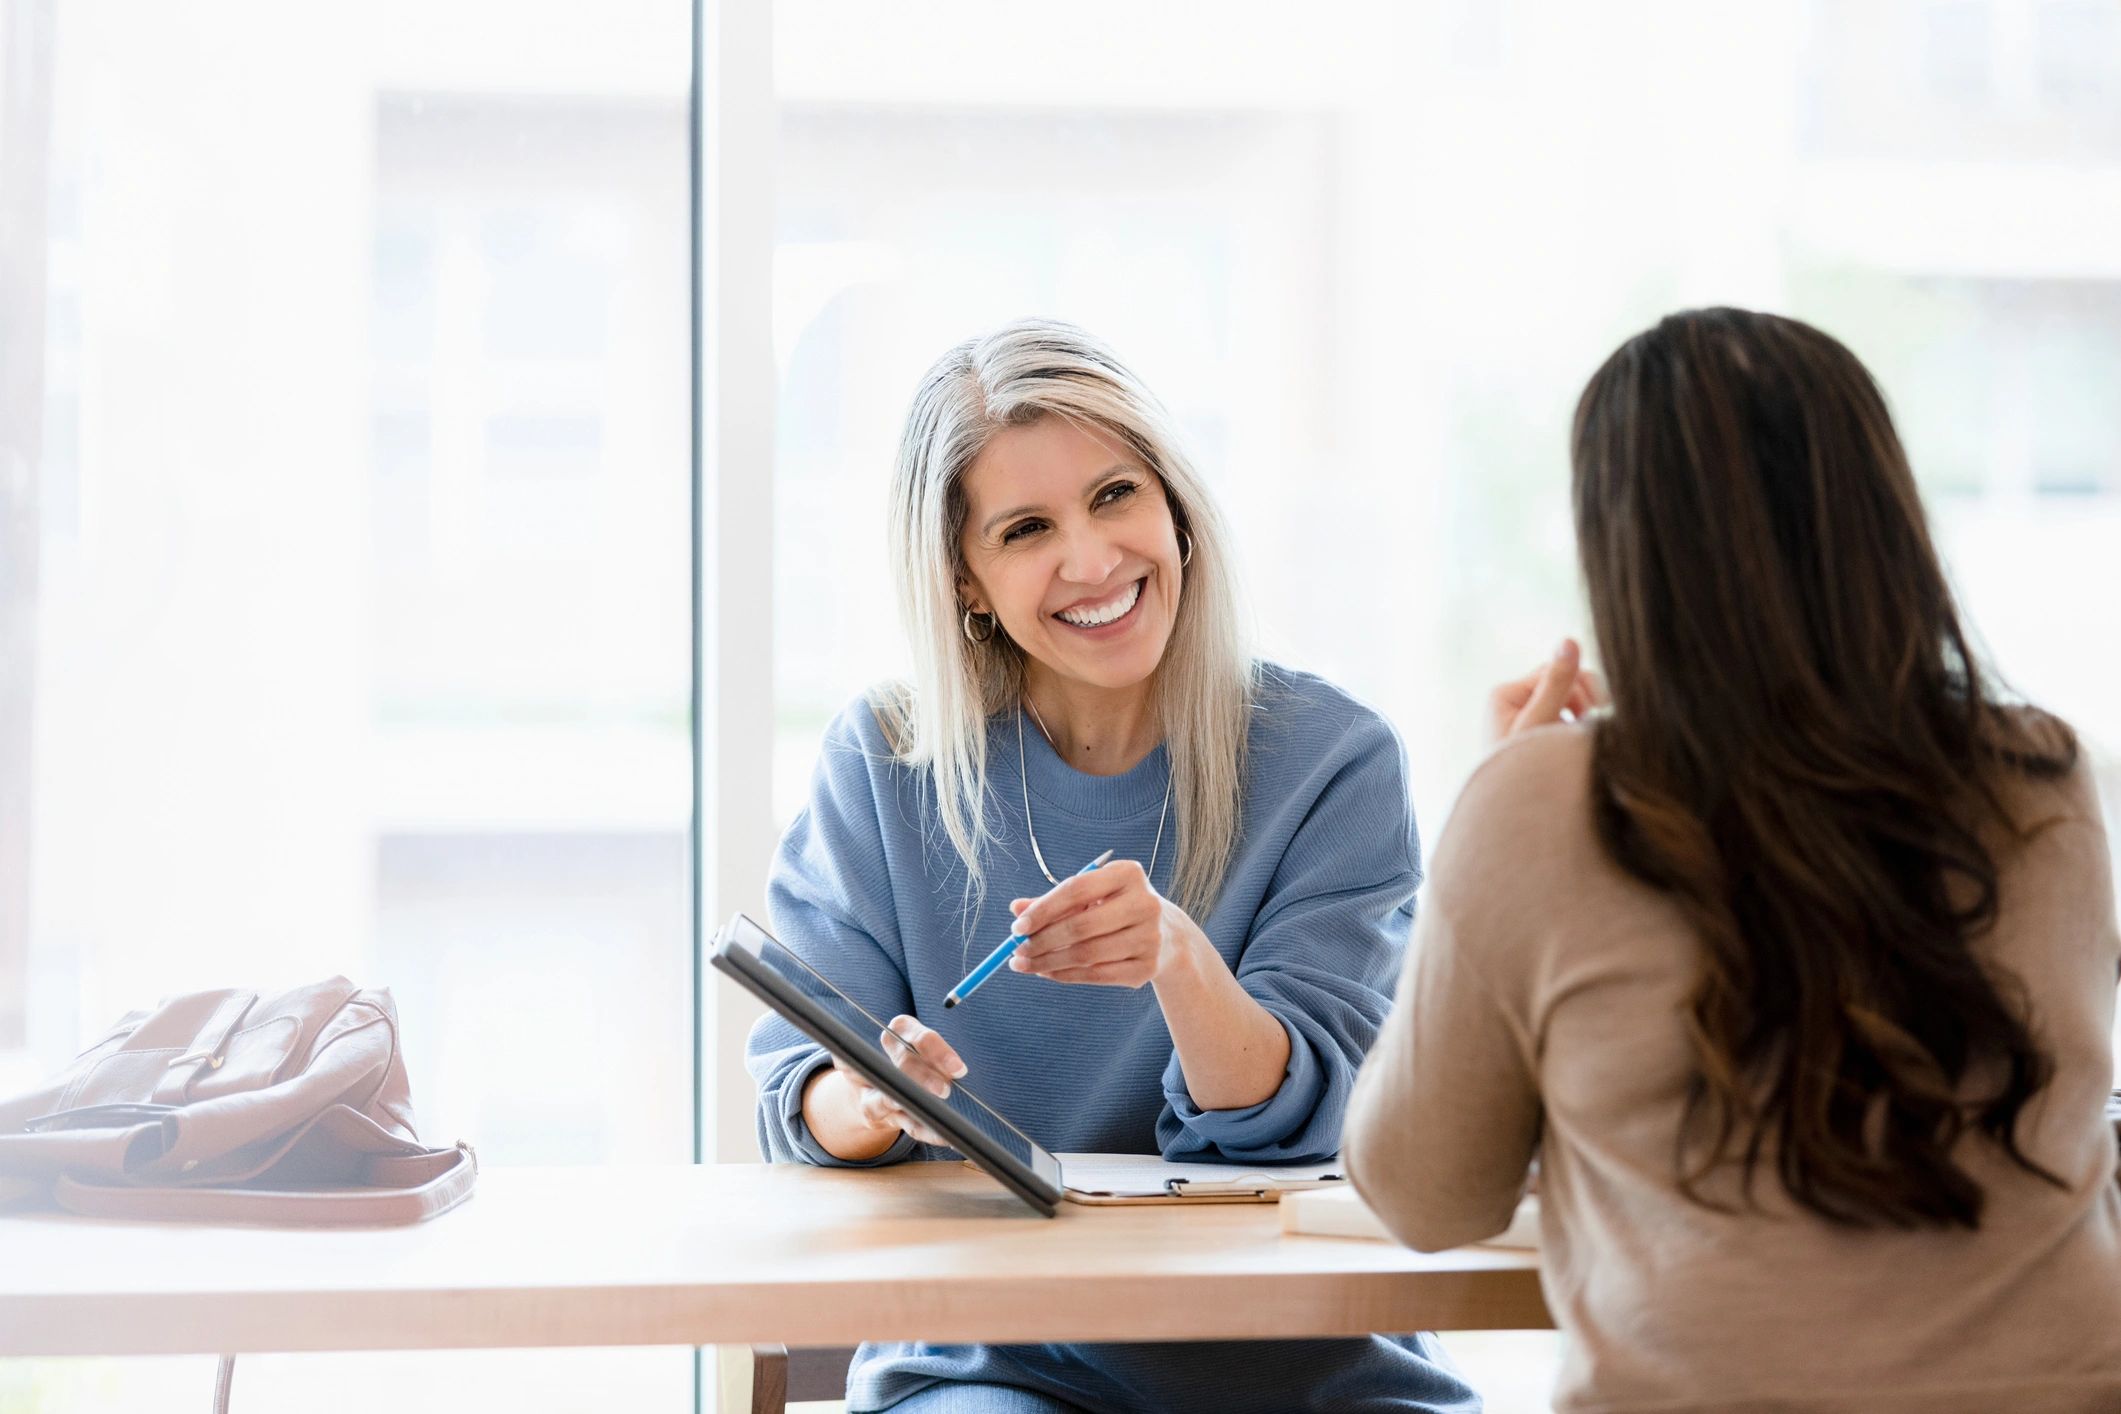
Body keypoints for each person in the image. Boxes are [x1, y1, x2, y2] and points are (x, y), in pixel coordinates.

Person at [1345, 306, 2121, 1413]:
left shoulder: (1539, 801)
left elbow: (1426, 1195)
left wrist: (1497, 813)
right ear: (1886, 523)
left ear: (1628, 552)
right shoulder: (2042, 774)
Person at [747, 319, 1480, 1413]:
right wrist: (866, 1094)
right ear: (967, 580)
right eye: (1027, 528)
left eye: (1115, 495)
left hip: (1307, 1370)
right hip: (990, 1366)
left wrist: (1179, 960)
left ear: (1176, 508)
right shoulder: (886, 760)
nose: (1090, 562)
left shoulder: (1333, 758)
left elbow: (1311, 1122)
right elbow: (795, 1093)